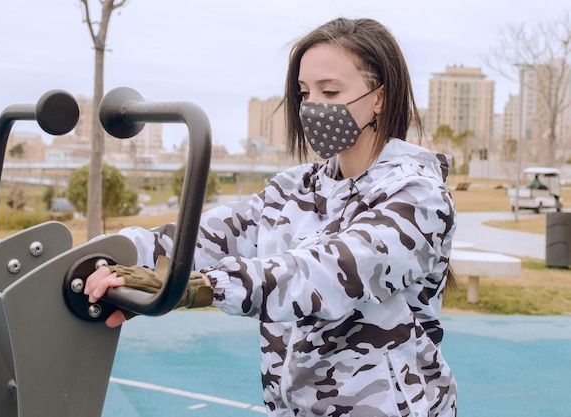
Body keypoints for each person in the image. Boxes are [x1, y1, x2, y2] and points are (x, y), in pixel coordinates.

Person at [86, 17, 458, 417]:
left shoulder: (417, 196)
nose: (313, 106)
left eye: (330, 90)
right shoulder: (293, 189)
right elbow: (203, 238)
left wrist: (201, 286)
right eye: (304, 92)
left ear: (379, 98)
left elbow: (331, 272)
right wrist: (110, 257)